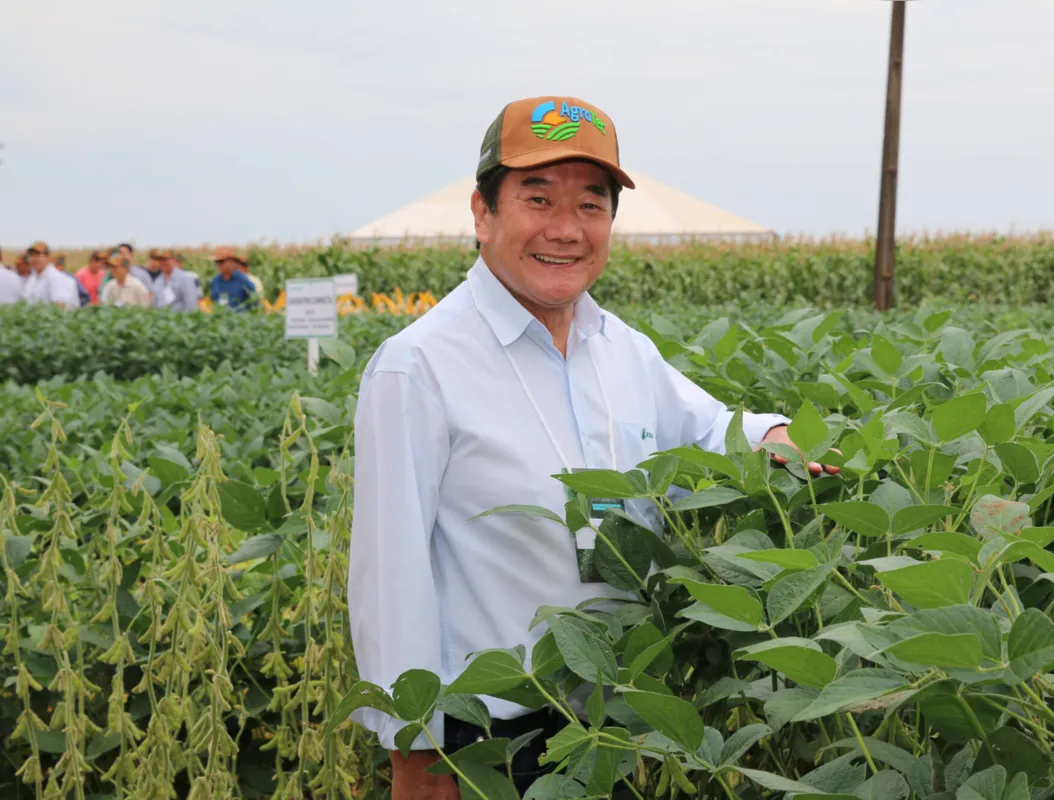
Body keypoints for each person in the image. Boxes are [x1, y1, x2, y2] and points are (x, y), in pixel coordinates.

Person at [347, 96, 840, 799]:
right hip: (483, 739)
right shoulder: (419, 366)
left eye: (591, 205)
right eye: (537, 198)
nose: (565, 230)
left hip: (610, 723)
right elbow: (389, 574)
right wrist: (414, 749)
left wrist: (773, 436)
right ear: (482, 214)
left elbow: (706, 430)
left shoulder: (619, 349)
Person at [21, 242, 80, 309]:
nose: (34, 258)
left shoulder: (57, 278)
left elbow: (59, 308)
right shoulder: (32, 279)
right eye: (31, 255)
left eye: (37, 255)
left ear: (47, 257)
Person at [209, 247, 258, 311]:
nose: (218, 264)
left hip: (241, 319)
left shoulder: (243, 280)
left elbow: (254, 300)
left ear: (231, 262)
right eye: (216, 261)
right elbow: (214, 300)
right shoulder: (216, 281)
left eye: (221, 261)